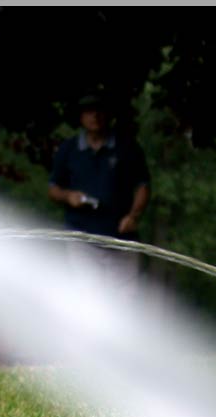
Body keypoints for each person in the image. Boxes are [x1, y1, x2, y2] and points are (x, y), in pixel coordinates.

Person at [48, 93, 151, 293]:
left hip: (122, 239)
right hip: (81, 238)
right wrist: (68, 196)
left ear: (108, 115)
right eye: (89, 112)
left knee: (124, 301)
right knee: (89, 299)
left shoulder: (127, 148)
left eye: (99, 111)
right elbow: (53, 189)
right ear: (81, 116)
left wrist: (134, 215)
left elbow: (143, 186)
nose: (94, 116)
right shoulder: (68, 150)